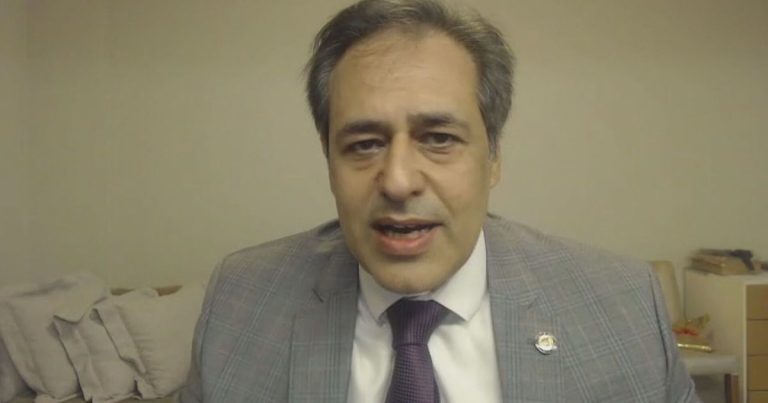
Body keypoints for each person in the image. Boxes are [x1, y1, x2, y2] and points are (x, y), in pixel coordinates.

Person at [178, 0, 699, 402]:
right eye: (364, 144)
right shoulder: (240, 303)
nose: (398, 181)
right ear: (328, 158)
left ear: (493, 156)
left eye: (439, 138)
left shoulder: (621, 305)